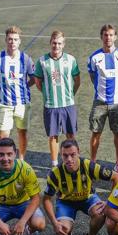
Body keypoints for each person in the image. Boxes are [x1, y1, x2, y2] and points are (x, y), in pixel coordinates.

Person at [42, 139, 118, 235]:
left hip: (88, 199)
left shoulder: (88, 165)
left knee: (101, 212)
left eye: (72, 155)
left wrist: (109, 202)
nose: (69, 159)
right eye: (65, 155)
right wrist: (54, 223)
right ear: (61, 155)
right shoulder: (55, 173)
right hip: (66, 202)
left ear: (78, 152)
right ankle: (67, 232)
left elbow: (117, 177)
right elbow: (46, 199)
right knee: (63, 230)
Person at [87, 24, 118, 176]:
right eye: (106, 35)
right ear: (101, 37)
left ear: (115, 37)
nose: (108, 38)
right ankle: (92, 163)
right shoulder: (94, 57)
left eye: (111, 35)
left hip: (117, 102)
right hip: (99, 102)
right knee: (95, 133)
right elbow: (93, 77)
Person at [33, 30, 80, 167]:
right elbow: (38, 81)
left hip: (68, 104)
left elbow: (77, 80)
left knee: (70, 135)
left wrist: (70, 94)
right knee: (53, 136)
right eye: (54, 43)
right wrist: (48, 94)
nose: (56, 46)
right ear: (50, 43)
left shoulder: (71, 60)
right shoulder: (42, 61)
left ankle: (73, 161)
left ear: (63, 44)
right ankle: (54, 164)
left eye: (59, 43)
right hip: (51, 105)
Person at [0, 25, 35, 159]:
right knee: (3, 136)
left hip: (23, 103)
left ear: (20, 41)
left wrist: (24, 87)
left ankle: (21, 159)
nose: (12, 42)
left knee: (22, 132)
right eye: (10, 39)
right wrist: (2, 87)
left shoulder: (26, 59)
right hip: (5, 104)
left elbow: (33, 78)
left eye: (15, 39)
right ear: (6, 40)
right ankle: (6, 160)